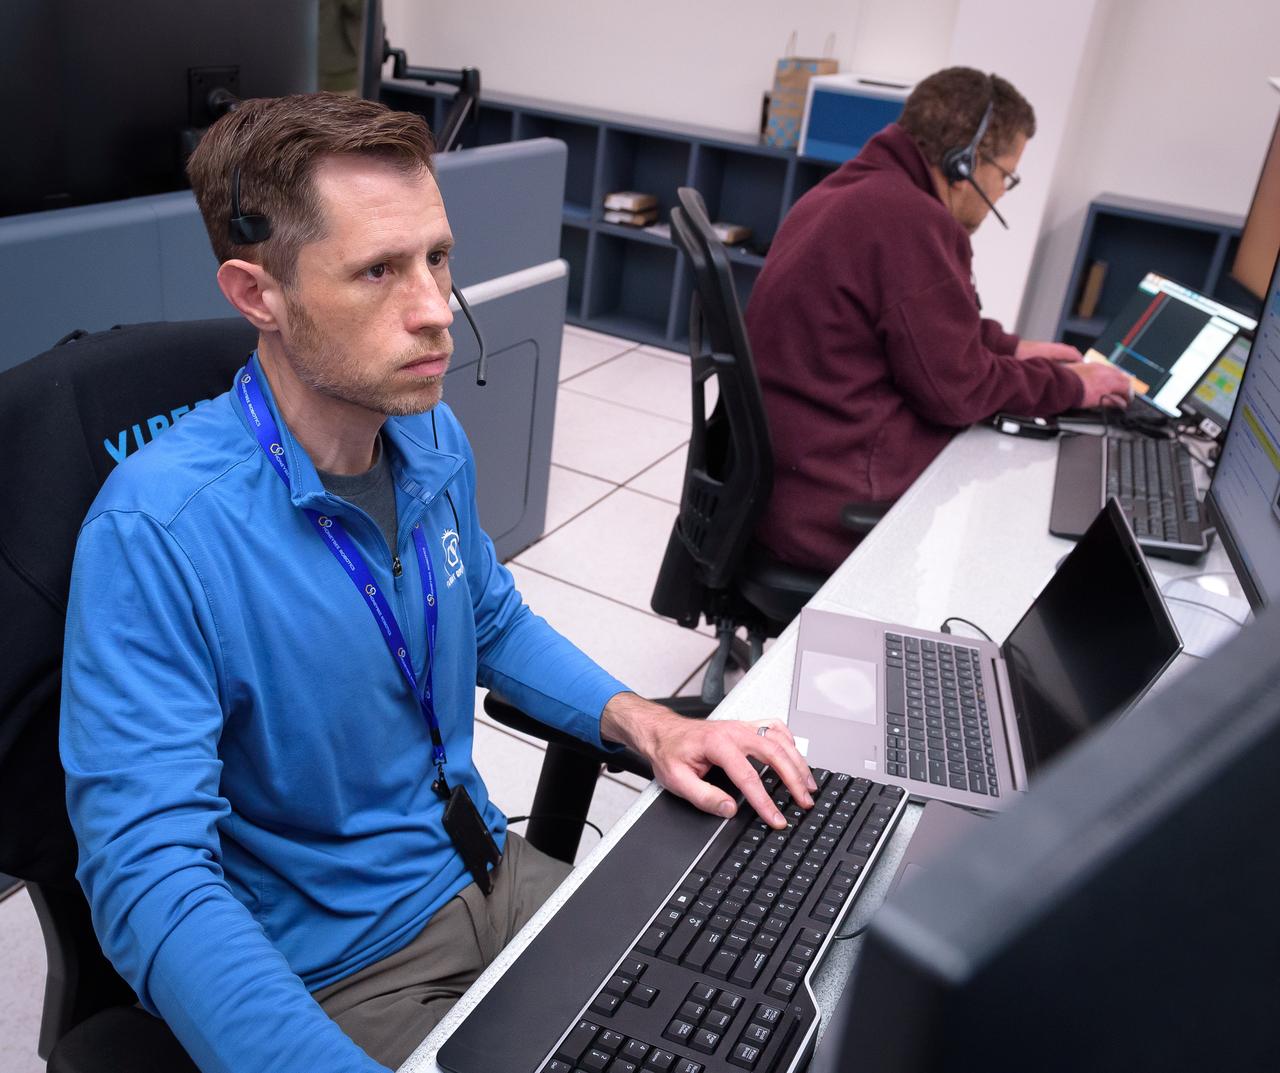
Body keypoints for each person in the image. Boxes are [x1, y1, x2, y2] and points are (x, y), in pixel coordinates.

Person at [58, 93, 815, 1073]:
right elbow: (148, 878)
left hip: (489, 869)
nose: (433, 310)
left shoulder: (424, 435)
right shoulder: (155, 533)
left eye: (436, 258)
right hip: (343, 976)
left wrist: (649, 722)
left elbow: (488, 614)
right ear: (258, 295)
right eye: (377, 270)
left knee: (746, 991)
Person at [745, 66, 1133, 575]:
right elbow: (957, 391)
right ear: (964, 161)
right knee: (1010, 524)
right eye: (1006, 174)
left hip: (789, 480)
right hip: (832, 506)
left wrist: (1014, 349)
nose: (1003, 189)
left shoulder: (857, 189)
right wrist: (1070, 387)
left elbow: (920, 322)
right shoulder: (910, 221)